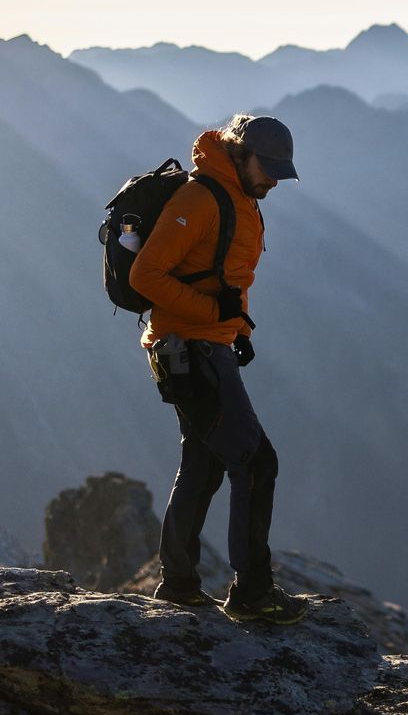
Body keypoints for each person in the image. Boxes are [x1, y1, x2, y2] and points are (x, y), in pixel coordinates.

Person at [128, 113, 309, 625]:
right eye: (267, 167)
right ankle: (252, 591)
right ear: (238, 154)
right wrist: (215, 320)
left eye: (280, 170)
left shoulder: (240, 198)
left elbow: (227, 275)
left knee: (205, 463)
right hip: (190, 348)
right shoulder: (200, 198)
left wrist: (239, 331)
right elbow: (146, 276)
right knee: (255, 463)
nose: (274, 178)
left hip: (207, 345)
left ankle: (180, 584)